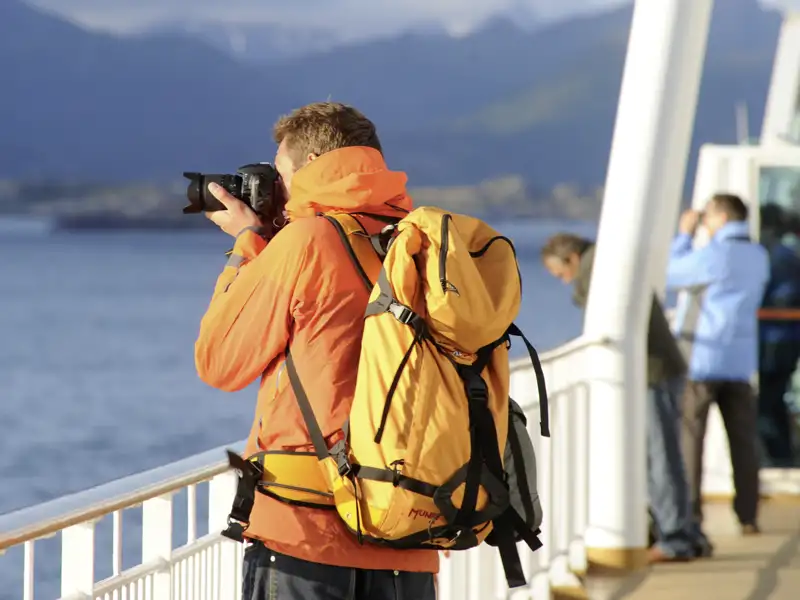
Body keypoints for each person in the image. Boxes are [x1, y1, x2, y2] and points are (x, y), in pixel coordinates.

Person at [194, 102, 437, 600]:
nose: (276, 188)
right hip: (409, 525)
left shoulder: (305, 241)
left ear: (308, 168)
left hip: (307, 529)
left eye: (279, 173)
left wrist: (249, 242)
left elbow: (219, 362)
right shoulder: (419, 243)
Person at [541, 233, 709, 563]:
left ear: (572, 258)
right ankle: (685, 532)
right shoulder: (607, 262)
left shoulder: (596, 269)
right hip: (659, 369)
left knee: (659, 457)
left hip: (652, 373)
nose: (564, 282)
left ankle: (675, 537)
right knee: (665, 456)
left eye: (560, 274)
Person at [667, 193, 770, 536]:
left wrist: (684, 235)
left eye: (708, 217)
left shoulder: (714, 255)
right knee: (743, 442)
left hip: (703, 360)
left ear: (721, 218)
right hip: (741, 362)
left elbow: (670, 274)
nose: (705, 223)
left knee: (690, 440)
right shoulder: (759, 256)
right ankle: (748, 515)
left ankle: (691, 516)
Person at [757, 203, 800, 467]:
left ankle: (779, 457)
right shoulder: (786, 255)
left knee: (767, 405)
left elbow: (784, 298)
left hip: (774, 340)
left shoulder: (776, 257)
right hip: (785, 339)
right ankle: (782, 454)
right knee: (774, 402)